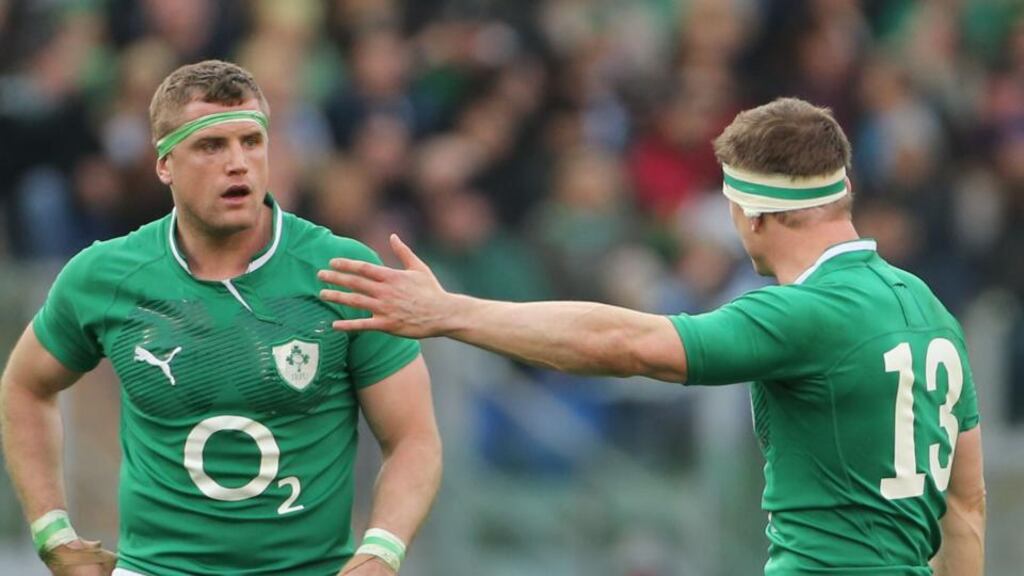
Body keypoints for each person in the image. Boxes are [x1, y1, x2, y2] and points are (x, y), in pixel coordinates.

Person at [319, 98, 986, 575]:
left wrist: (450, 313)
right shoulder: (932, 312)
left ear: (751, 214)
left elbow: (628, 344)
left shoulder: (806, 314)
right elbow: (966, 505)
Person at [0, 60, 442, 576]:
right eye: (211, 146)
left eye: (251, 142)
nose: (238, 163)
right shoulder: (104, 275)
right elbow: (25, 387)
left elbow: (413, 437)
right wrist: (52, 531)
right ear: (164, 163)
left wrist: (382, 551)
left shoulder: (343, 272)